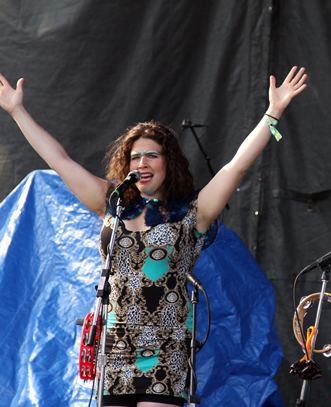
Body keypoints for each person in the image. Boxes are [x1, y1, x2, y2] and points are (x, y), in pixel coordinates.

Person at [0, 66, 307, 406]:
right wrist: (17, 111)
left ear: (168, 163)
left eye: (151, 155)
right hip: (116, 343)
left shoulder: (194, 212)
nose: (142, 162)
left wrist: (273, 113)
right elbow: (59, 159)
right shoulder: (112, 204)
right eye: (135, 157)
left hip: (167, 347)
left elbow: (236, 166)